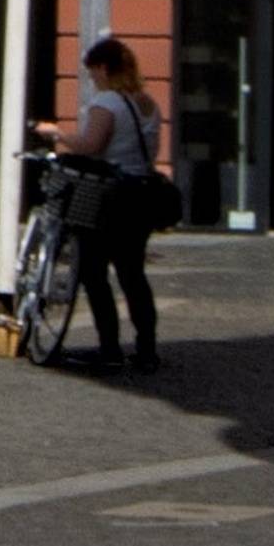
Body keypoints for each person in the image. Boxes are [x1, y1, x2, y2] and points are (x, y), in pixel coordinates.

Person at [57, 34, 173, 374]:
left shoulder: (107, 103)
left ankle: (109, 347)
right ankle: (147, 349)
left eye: (93, 74)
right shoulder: (148, 103)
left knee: (94, 272)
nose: (92, 81)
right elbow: (150, 152)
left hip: (109, 196)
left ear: (104, 69)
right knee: (133, 274)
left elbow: (91, 145)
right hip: (142, 195)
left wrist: (58, 135)